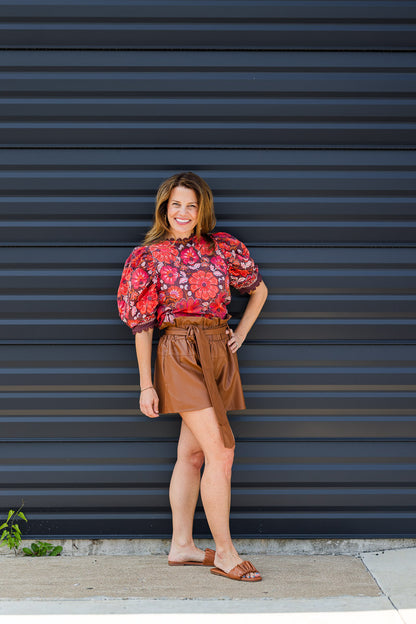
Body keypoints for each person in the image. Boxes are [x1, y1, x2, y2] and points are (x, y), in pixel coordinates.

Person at [117, 172, 268, 582]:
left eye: (192, 205)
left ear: (203, 209)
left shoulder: (222, 247)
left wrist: (241, 333)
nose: (183, 213)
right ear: (164, 208)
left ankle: (182, 546)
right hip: (179, 351)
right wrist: (146, 384)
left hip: (217, 349)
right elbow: (142, 324)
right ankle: (224, 552)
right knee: (222, 452)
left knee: (194, 454)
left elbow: (259, 289)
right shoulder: (148, 256)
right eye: (176, 204)